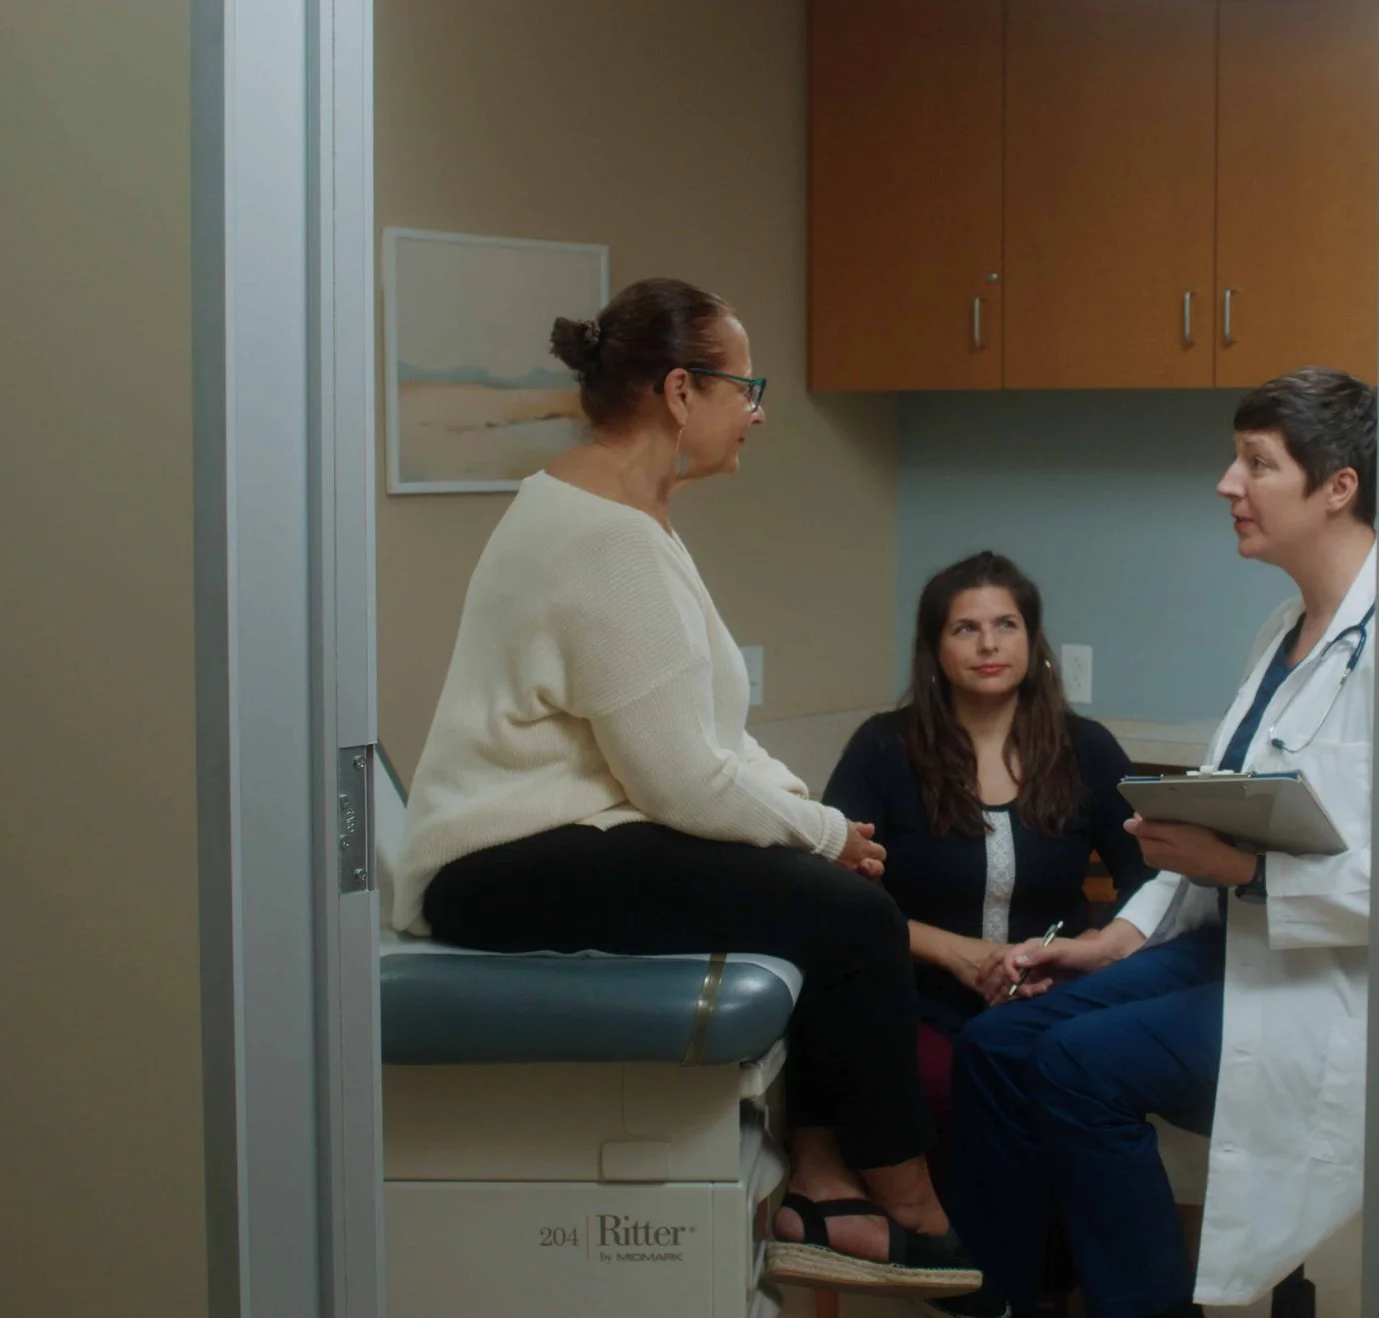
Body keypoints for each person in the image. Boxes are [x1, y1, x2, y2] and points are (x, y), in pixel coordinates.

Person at [390, 277, 996, 1310]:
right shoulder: (603, 538)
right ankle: (907, 1202)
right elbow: (678, 776)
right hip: (496, 865)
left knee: (825, 900)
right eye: (744, 386)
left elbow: (711, 737)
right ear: (680, 390)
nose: (754, 412)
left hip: (558, 837)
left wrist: (809, 819)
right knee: (849, 914)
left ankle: (816, 1181)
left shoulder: (618, 515)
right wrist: (818, 836)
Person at [947, 368, 1379, 1318]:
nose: (1229, 484)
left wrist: (1251, 874)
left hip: (1329, 986)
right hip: (1230, 949)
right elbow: (1216, 832)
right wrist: (1113, 941)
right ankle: (1009, 1300)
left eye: (1256, 464)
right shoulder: (1284, 632)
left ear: (1337, 485)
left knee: (1075, 1066)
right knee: (996, 1043)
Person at [821, 552, 1155, 1183]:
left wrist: (1090, 947)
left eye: (1006, 625)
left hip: (1057, 997)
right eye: (964, 629)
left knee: (1067, 1089)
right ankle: (947, 1263)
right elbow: (834, 894)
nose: (988, 644)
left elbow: (1152, 875)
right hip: (917, 997)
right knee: (943, 1086)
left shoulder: (1086, 748)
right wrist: (958, 954)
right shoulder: (883, 749)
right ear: (934, 649)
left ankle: (1052, 1274)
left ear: (1032, 640)